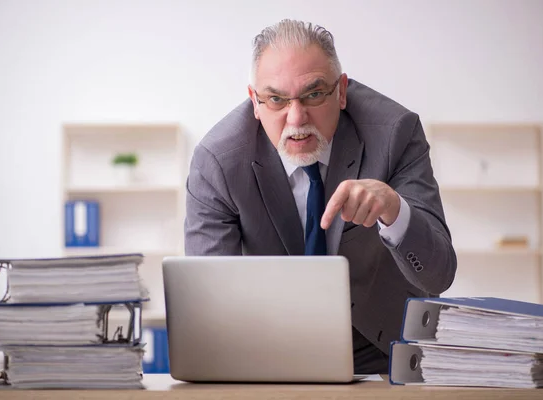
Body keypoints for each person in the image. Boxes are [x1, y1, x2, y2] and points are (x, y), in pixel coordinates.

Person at [184, 19, 457, 374]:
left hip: (384, 352)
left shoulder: (395, 134)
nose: (296, 118)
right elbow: (209, 307)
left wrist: (395, 211)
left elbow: (439, 275)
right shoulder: (217, 162)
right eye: (276, 99)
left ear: (341, 91)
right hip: (268, 354)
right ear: (254, 100)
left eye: (314, 94)